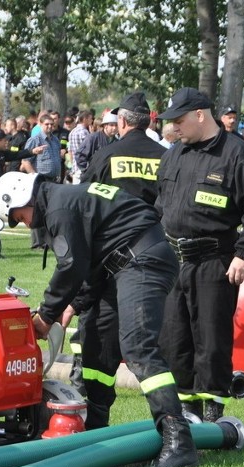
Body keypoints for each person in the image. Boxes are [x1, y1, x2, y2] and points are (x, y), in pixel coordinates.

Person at [0, 171, 199, 467]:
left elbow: (71, 266)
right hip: (119, 265)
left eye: (17, 217)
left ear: (22, 197)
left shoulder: (59, 207)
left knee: (138, 347)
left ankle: (178, 440)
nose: (21, 223)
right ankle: (97, 432)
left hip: (141, 259)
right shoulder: (61, 200)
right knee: (95, 341)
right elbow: (91, 260)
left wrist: (45, 316)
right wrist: (74, 304)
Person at [156, 88, 244, 422]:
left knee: (211, 340)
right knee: (175, 340)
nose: (173, 128)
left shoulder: (236, 153)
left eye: (178, 121)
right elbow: (160, 207)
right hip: (175, 261)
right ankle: (185, 414)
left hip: (215, 261)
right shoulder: (174, 154)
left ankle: (212, 417)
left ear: (199, 115)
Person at [73, 92, 166, 428]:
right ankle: (173, 423)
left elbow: (84, 206)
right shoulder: (166, 157)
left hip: (109, 263)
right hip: (156, 259)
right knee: (154, 344)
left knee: (100, 342)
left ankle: (97, 417)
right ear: (150, 121)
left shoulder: (106, 155)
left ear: (122, 122)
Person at [21, 112, 62, 249]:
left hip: (54, 180)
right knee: (37, 211)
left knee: (51, 211)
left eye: (51, 124)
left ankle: (48, 241)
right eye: (47, 124)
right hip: (40, 179)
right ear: (40, 124)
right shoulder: (35, 140)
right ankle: (38, 243)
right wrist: (34, 176)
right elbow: (26, 161)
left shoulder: (55, 140)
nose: (50, 126)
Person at [68, 110, 93, 183]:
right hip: (83, 167)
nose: (92, 120)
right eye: (90, 118)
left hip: (75, 167)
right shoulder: (84, 132)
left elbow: (70, 151)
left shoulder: (72, 132)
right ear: (85, 119)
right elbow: (89, 149)